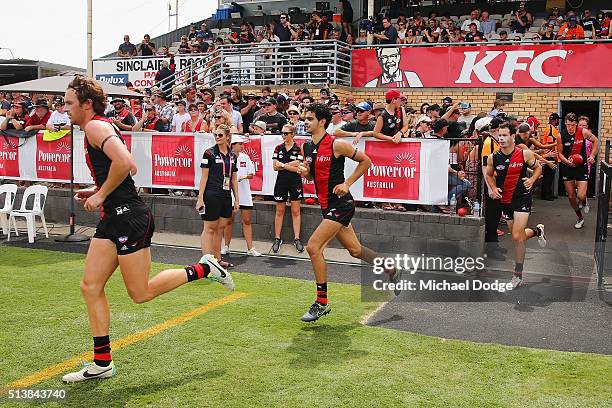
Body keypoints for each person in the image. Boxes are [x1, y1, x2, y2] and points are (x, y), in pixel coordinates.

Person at [60, 76, 232, 383]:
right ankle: (102, 363)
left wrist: (100, 194)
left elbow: (125, 162)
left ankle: (205, 268)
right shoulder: (101, 126)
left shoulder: (95, 127)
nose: (65, 108)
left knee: (140, 293)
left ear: (86, 104)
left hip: (129, 218)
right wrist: (97, 188)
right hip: (113, 217)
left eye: (69, 102)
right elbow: (131, 169)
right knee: (90, 287)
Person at [297, 103, 401, 322]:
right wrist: (306, 172)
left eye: (310, 119)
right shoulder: (306, 147)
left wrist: (347, 183)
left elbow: (367, 161)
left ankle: (321, 302)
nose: (305, 122)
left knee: (313, 247)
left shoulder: (337, 144)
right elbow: (312, 176)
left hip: (341, 204)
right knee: (355, 250)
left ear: (322, 122)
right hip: (326, 205)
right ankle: (392, 269)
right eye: (305, 119)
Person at [485, 123, 546, 290]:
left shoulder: (524, 153)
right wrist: (493, 187)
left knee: (517, 237)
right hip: (506, 200)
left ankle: (517, 276)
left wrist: (532, 180)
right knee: (516, 237)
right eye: (499, 135)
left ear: (513, 136)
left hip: (523, 199)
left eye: (505, 135)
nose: (501, 138)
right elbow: (489, 175)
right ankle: (537, 231)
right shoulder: (493, 157)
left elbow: (538, 168)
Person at [196, 125, 239, 268]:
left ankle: (217, 260)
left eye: (220, 135)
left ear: (227, 136)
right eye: (215, 135)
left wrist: (237, 199)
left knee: (221, 227)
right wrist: (200, 197)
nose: (217, 137)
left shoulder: (232, 156)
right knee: (209, 227)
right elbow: (204, 177)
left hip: (226, 194)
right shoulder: (209, 153)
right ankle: (206, 263)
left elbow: (233, 179)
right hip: (211, 194)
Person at [557, 113, 598, 229]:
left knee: (580, 195)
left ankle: (584, 201)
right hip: (567, 167)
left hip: (581, 167)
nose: (570, 127)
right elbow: (559, 153)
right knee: (571, 196)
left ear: (576, 124)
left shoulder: (583, 132)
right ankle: (580, 217)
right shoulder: (561, 135)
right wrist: (566, 161)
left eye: (572, 125)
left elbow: (596, 141)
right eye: (567, 124)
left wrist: (592, 155)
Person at [222, 136, 262, 257]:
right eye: (240, 144)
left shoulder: (246, 157)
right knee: (229, 221)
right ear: (233, 145)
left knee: (247, 220)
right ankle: (226, 247)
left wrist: (243, 177)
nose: (242, 146)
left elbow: (251, 174)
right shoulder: (226, 157)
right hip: (230, 193)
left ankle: (250, 248)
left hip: (244, 193)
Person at [271, 124, 304, 253]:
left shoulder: (299, 148)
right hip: (281, 181)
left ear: (293, 134)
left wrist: (283, 165)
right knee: (279, 211)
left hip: (295, 182)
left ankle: (297, 239)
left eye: (286, 133)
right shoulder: (278, 148)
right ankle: (277, 238)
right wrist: (290, 165)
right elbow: (275, 167)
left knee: (296, 211)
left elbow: (298, 169)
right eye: (282, 133)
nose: (283, 136)